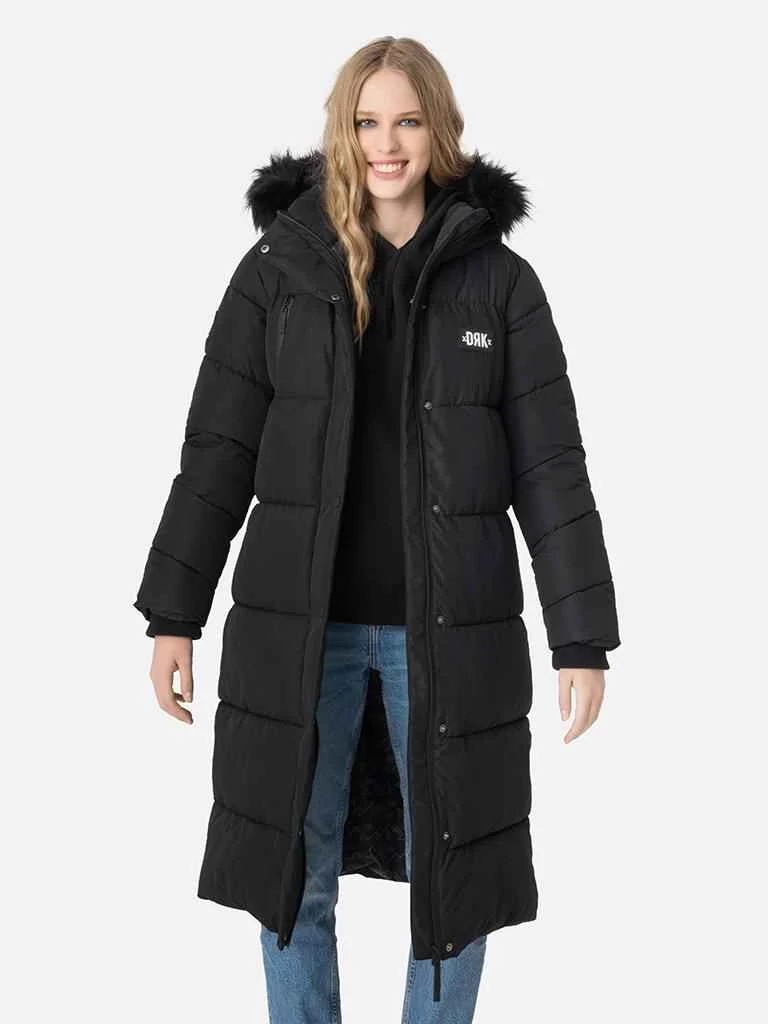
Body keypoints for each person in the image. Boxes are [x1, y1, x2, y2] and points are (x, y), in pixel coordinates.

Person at [134, 35, 620, 1024]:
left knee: (457, 878)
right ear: (341, 131)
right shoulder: (275, 273)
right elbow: (217, 452)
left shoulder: (501, 286)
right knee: (292, 872)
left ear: (439, 130)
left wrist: (581, 637)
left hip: (449, 635)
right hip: (297, 635)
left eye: (406, 120)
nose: (385, 144)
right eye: (366, 122)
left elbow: (551, 468)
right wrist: (172, 616)